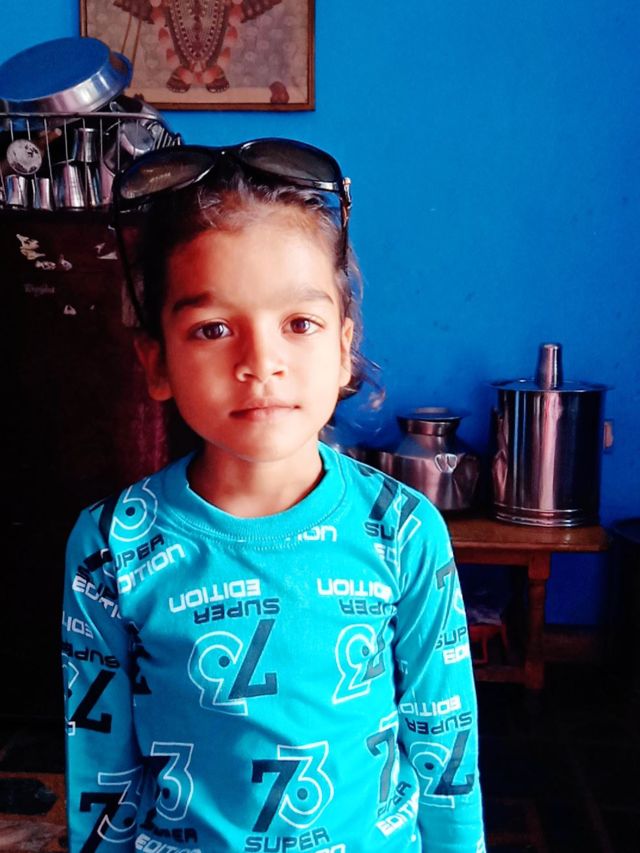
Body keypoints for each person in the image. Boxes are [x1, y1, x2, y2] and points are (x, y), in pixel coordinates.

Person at [62, 138, 486, 853]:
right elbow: (100, 770)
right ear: (157, 362)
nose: (261, 363)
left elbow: (443, 743)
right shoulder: (111, 544)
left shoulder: (404, 530)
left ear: (343, 349)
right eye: (213, 329)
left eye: (299, 323)